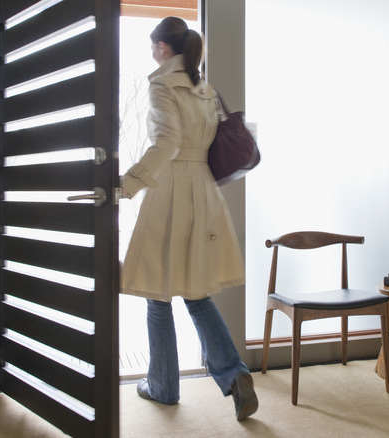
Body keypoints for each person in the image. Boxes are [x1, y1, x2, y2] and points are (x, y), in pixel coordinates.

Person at [118, 16, 258, 421]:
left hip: (172, 192)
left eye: (152, 46)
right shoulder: (205, 89)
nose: (151, 53)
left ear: (163, 47)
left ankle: (162, 386)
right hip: (204, 191)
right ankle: (234, 376)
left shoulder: (163, 85)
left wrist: (127, 184)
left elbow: (167, 143)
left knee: (158, 293)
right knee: (196, 293)